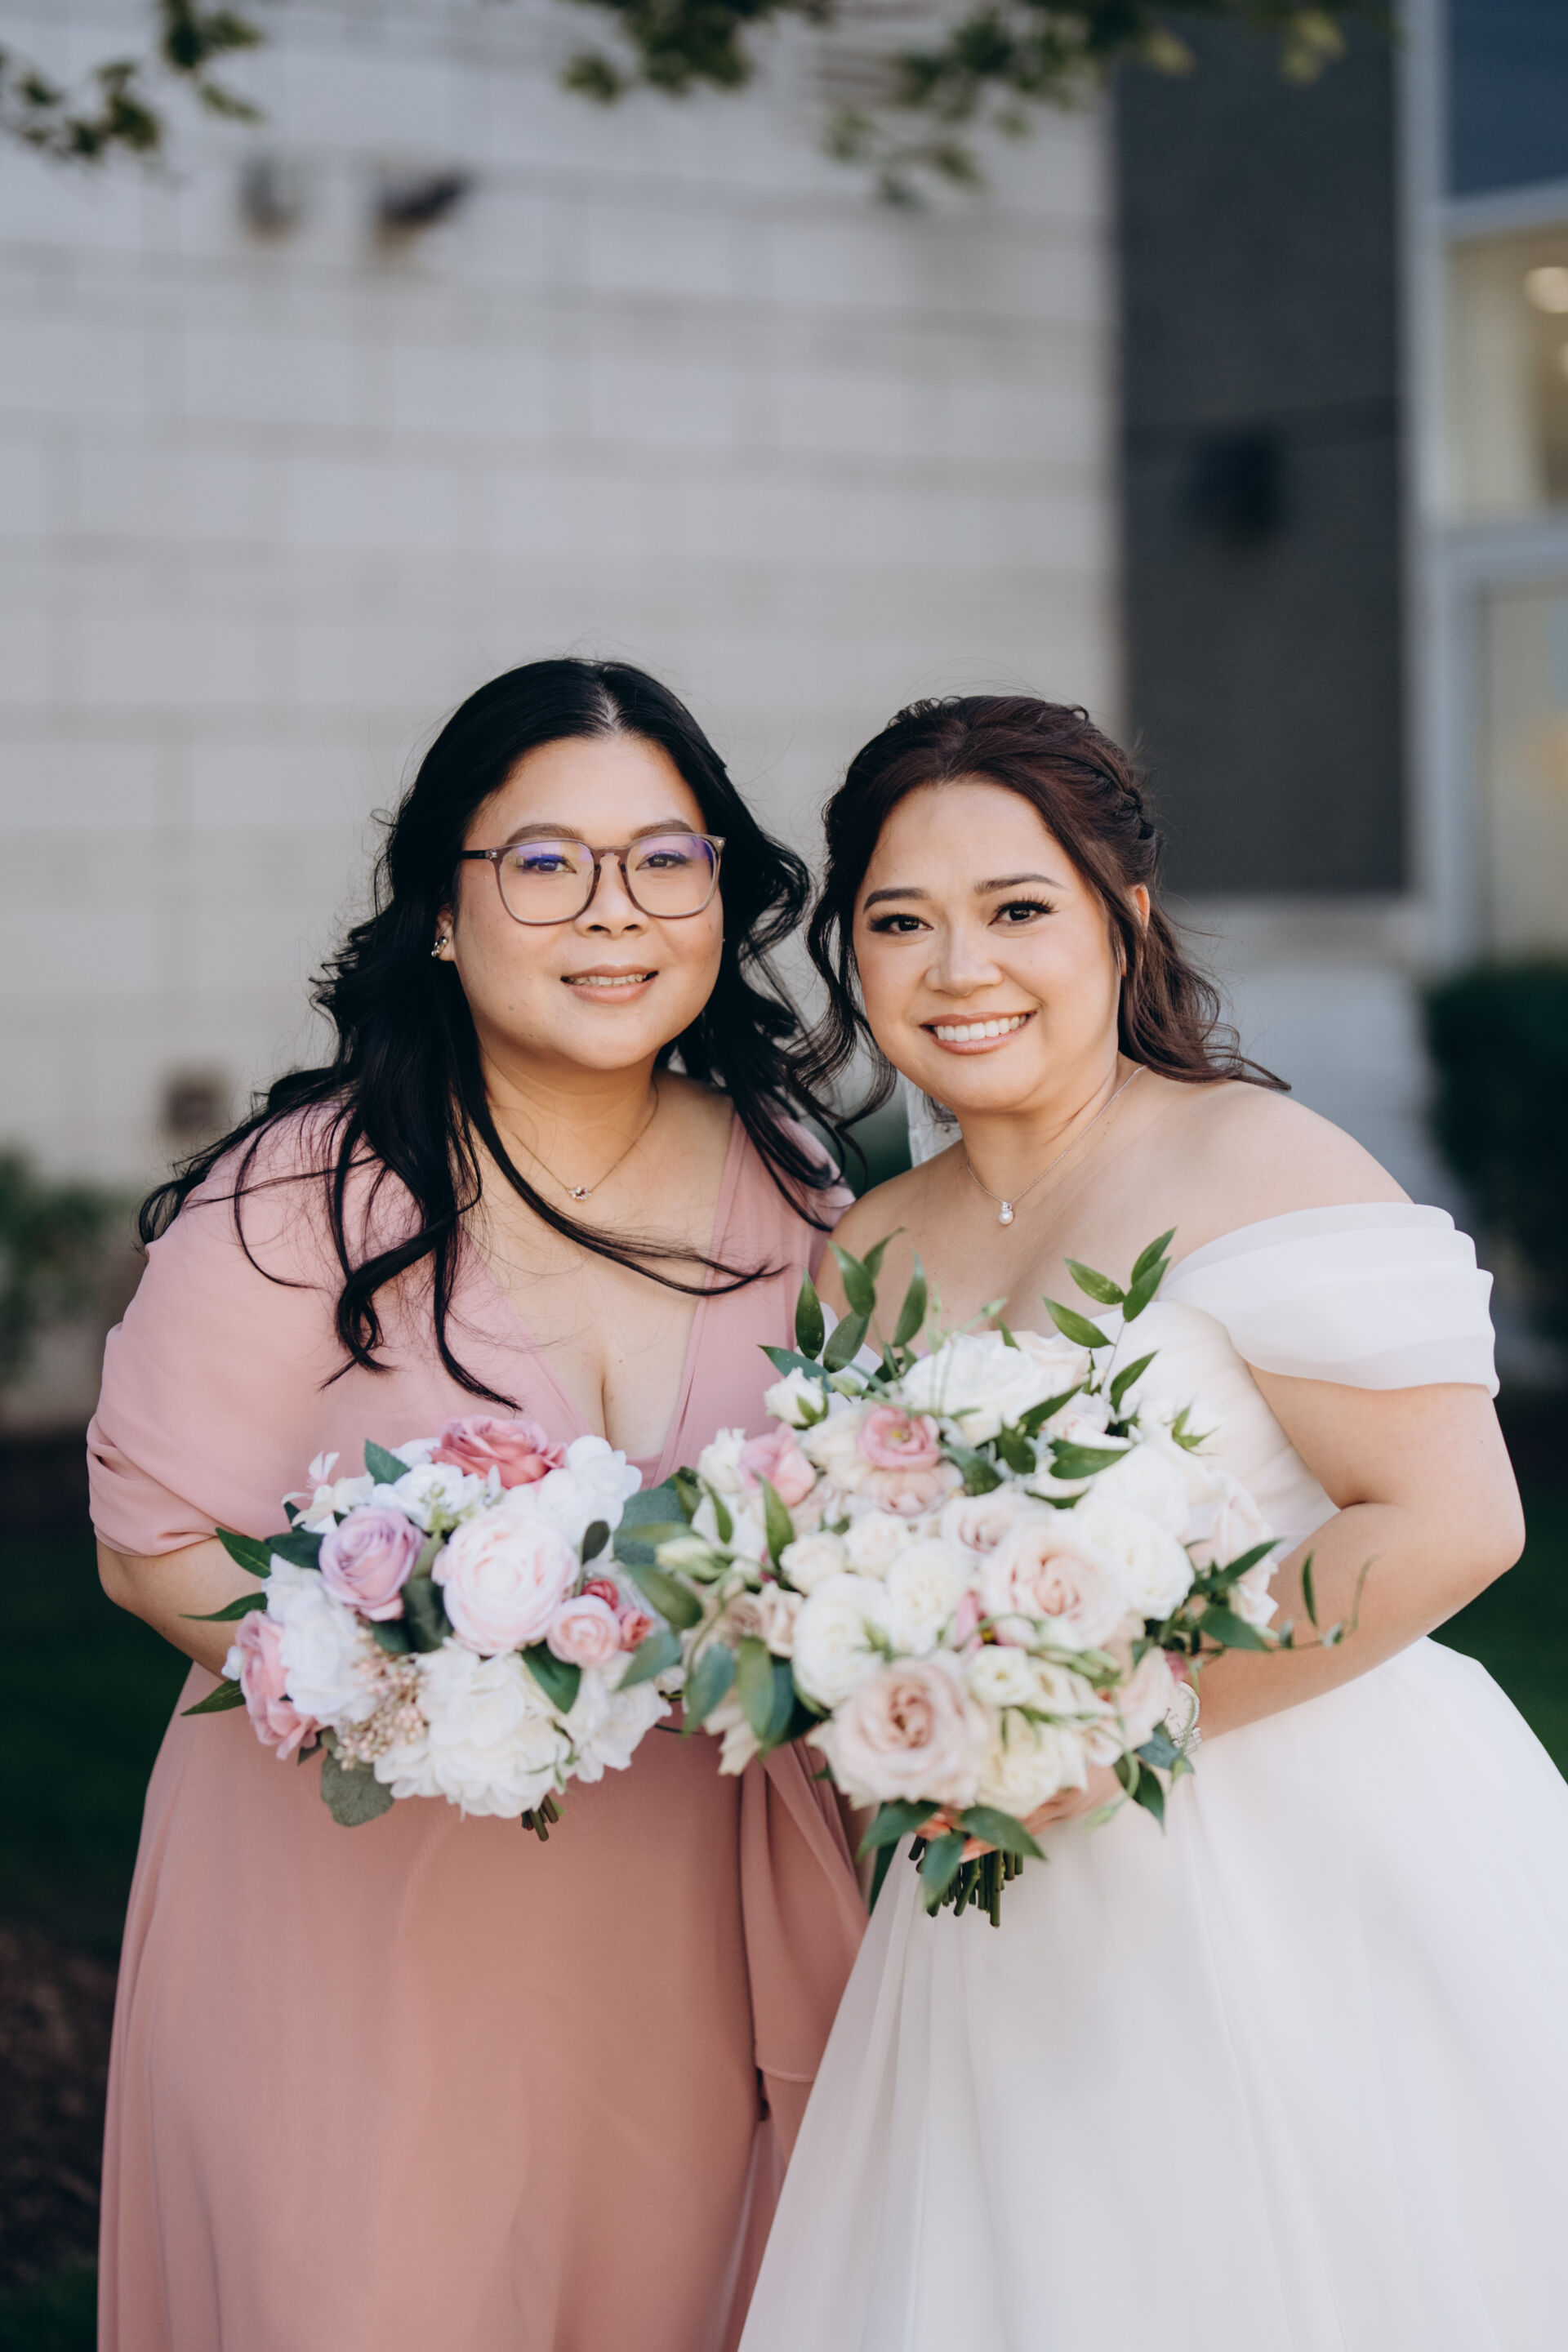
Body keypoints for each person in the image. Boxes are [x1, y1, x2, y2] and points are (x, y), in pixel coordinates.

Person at [740, 694, 1568, 2352]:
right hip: (996, 1885)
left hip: (1307, 1841)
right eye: (900, 923)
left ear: (1121, 918)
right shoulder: (868, 1248)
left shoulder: (1256, 1156)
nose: (959, 968)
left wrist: (1114, 1724)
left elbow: (1450, 1519)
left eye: (1016, 909)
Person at [90, 658, 866, 2352]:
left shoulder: (792, 1177)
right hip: (356, 1926)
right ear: (442, 912)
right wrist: (425, 1686)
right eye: (545, 862)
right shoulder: (301, 1195)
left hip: (686, 1930)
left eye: (665, 860)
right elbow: (151, 1549)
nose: (615, 910)